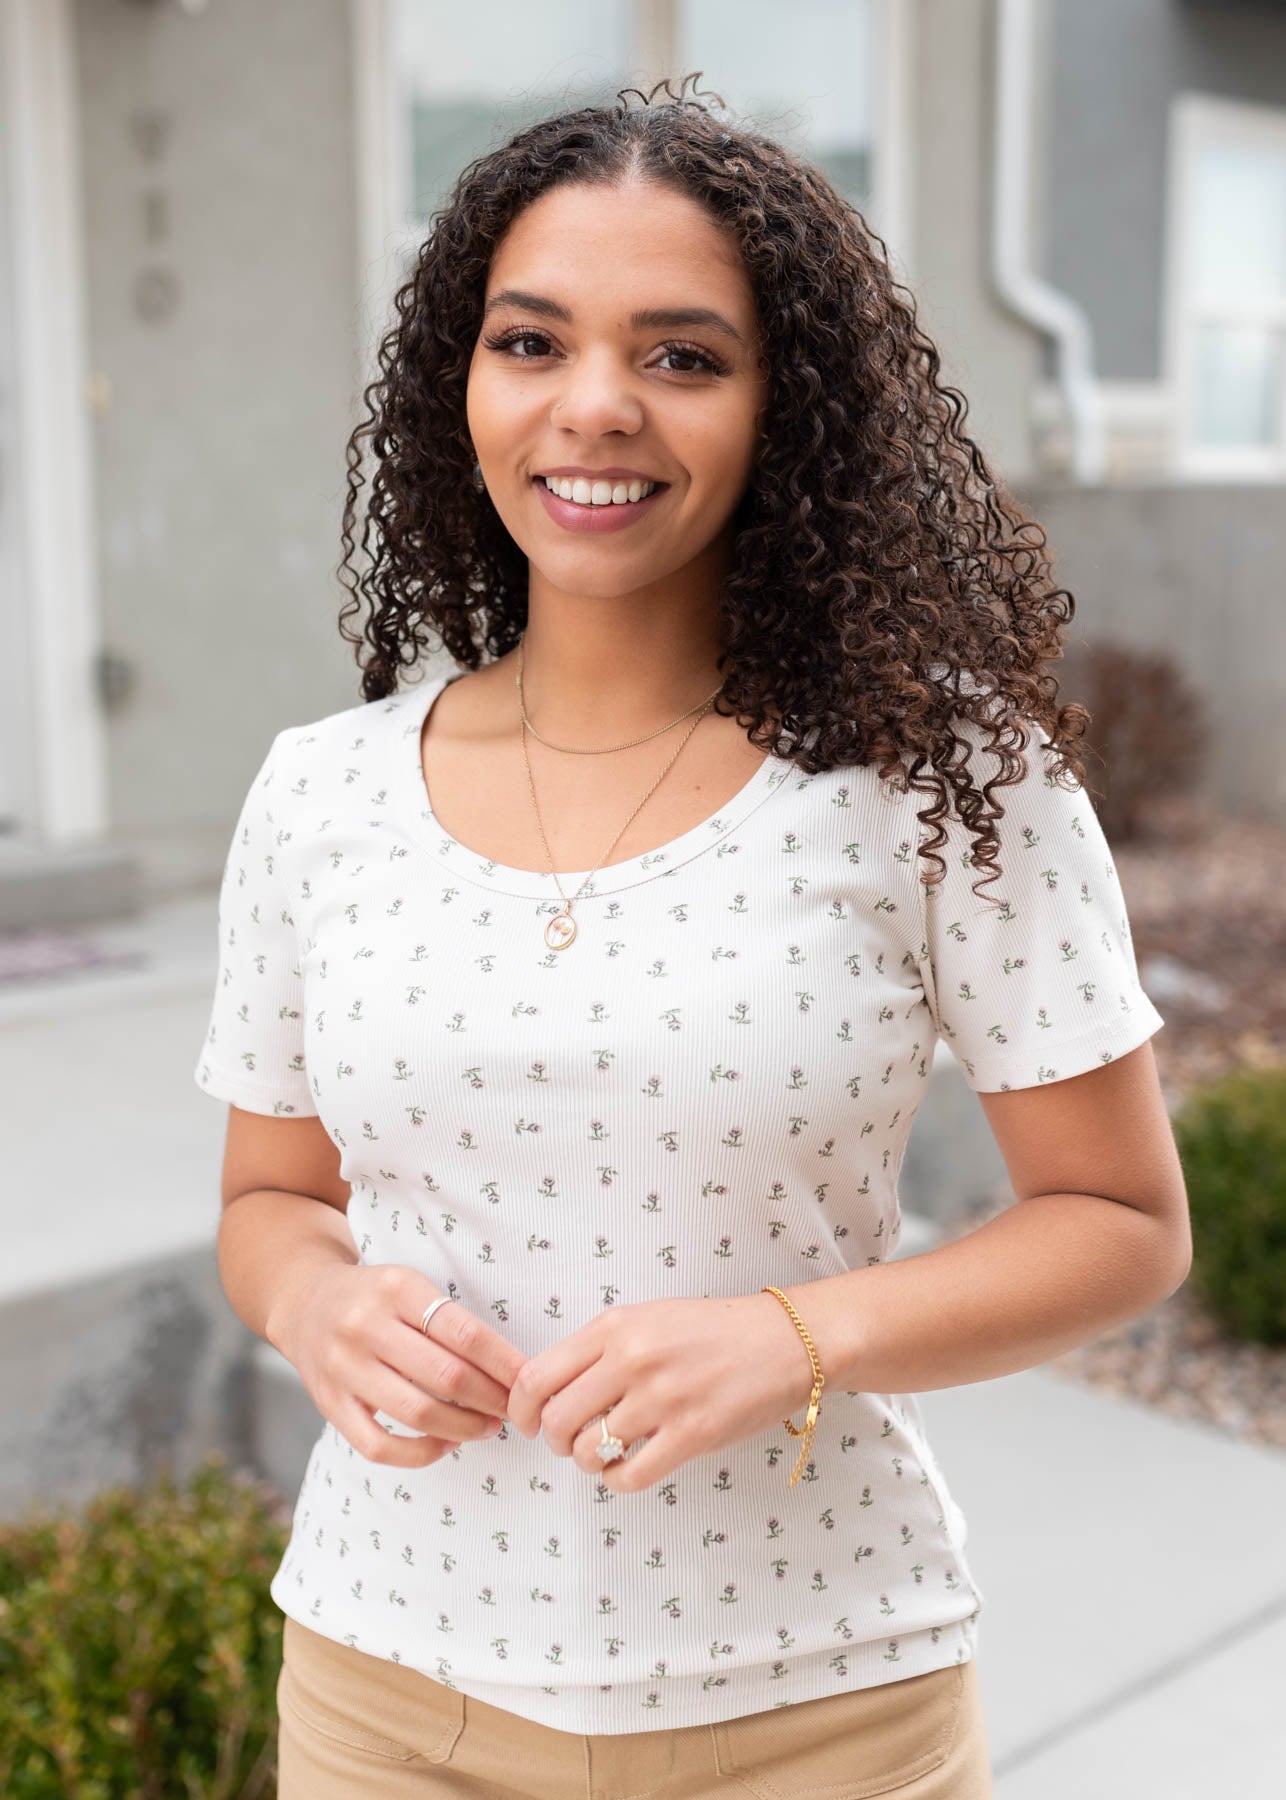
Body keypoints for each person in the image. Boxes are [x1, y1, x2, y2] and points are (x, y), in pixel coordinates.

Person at [195, 73, 1190, 1799]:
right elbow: (269, 1202)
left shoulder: (947, 777)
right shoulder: (319, 795)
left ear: (782, 412)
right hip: (386, 1688)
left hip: (815, 1703)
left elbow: (1117, 1223)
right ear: (462, 386)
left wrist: (796, 1335)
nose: (594, 409)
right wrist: (315, 1309)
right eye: (531, 343)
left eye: (681, 356)